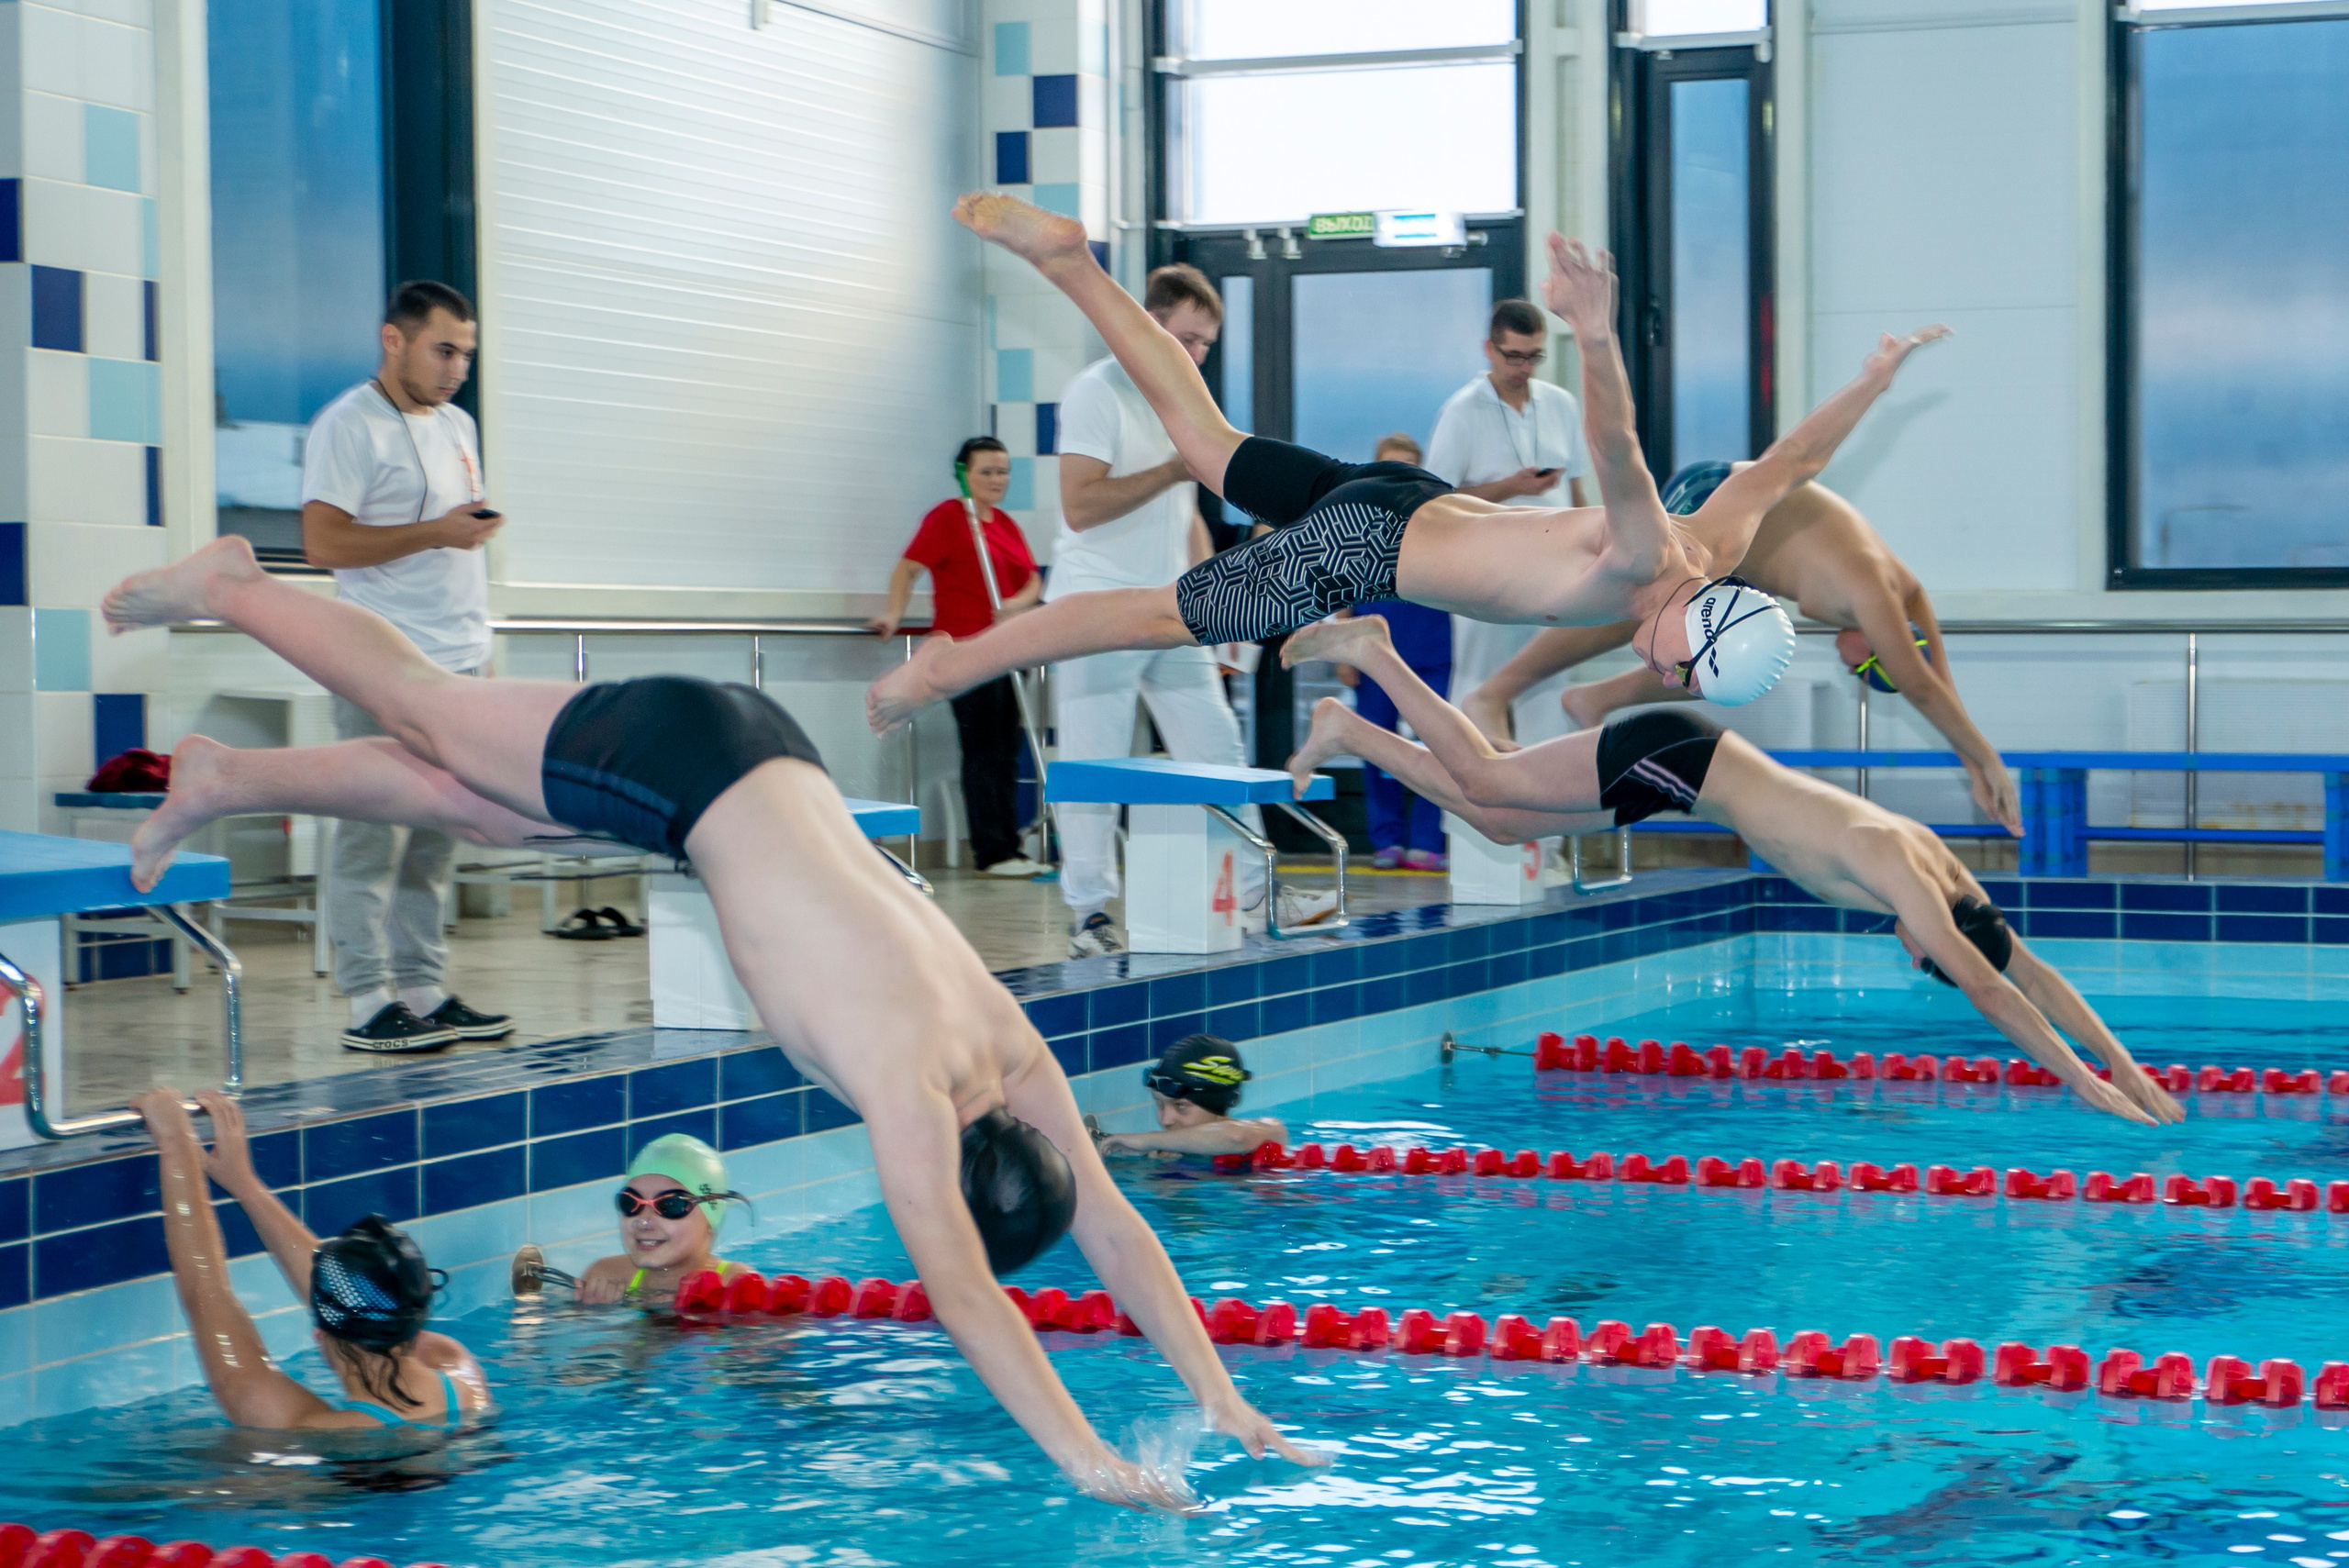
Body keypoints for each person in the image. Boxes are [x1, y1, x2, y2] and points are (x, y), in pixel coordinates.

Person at [103, 536, 1322, 1510]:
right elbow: (962, 1293)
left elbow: (1109, 1226)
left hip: (753, 758)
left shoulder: (1003, 1048)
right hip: (684, 764)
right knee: (426, 711)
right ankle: (235, 585)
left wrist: (1223, 1398)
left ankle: (225, 780)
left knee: (480, 810)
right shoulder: (907, 1091)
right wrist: (1088, 1459)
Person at [865, 193, 1948, 736]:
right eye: (1683, 666)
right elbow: (1613, 447)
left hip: (1404, 500)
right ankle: (944, 669)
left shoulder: (1720, 539)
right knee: (1150, 614)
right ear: (1696, 629)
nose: (1663, 673)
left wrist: (1877, 374)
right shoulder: (1642, 559)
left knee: (1201, 438)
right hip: (1368, 541)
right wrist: (1597, 335)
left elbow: (1794, 455)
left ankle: (1073, 266)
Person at [1278, 614, 2186, 1130]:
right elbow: (1992, 988)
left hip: (1690, 777)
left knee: (1489, 810)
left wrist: (2127, 1062)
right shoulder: (1907, 879)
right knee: (1485, 780)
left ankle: (1349, 729)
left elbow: (2028, 968)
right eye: (1924, 953)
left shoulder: (1946, 874)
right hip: (1679, 752)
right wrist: (2083, 1082)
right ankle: (1374, 652)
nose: (1910, 949)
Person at [1457, 468, 2022, 834]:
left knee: (1727, 659)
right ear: (1888, 643)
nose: (1853, 666)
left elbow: (1929, 671)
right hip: (1719, 499)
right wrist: (1986, 758)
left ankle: (1595, 698)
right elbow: (1920, 684)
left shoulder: (1906, 597)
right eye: (1869, 665)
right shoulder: (1873, 592)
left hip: (1748, 543)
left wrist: (1965, 740)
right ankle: (1494, 692)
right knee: (1633, 599)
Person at [1047, 264, 1335, 956]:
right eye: (1188, 338)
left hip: (1171, 605)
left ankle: (1259, 891)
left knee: (1216, 751)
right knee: (1093, 763)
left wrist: (1221, 603)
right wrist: (1172, 470)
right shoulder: (1097, 390)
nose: (1197, 354)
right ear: (1149, 325)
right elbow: (1081, 505)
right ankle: (1090, 913)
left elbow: (1189, 517)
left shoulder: (1181, 394)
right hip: (1095, 606)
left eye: (1207, 344)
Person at [301, 279, 511, 1054]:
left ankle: (422, 986)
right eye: (443, 349)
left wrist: (478, 654)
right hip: (380, 660)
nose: (457, 367)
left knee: (436, 829)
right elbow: (324, 545)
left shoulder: (459, 423)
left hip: (458, 661)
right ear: (394, 340)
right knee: (372, 828)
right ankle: (365, 996)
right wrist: (436, 533)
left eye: (466, 352)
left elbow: (452, 542)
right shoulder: (348, 426)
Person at [135, 1087, 491, 1429]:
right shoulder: (458, 1371)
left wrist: (176, 1141)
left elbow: (205, 1292)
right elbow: (366, 1306)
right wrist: (243, 1183)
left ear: (319, 1335)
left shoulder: (311, 1431)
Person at [871, 437, 1047, 877]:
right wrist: (893, 613)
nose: (996, 479)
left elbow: (1032, 581)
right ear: (964, 474)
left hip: (1007, 650)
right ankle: (992, 853)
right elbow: (908, 567)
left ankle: (1009, 847)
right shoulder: (950, 517)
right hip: (964, 652)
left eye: (1003, 471)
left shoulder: (1005, 523)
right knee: (984, 748)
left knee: (1006, 749)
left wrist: (1015, 605)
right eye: (986, 471)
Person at [1424, 298, 1594, 748]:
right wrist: (1510, 487)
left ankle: (1549, 805)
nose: (1524, 367)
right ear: (1489, 349)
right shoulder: (1462, 411)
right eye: (1513, 356)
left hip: (1556, 575)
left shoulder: (1561, 405)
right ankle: (1468, 813)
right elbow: (1433, 501)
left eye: (1534, 356)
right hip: (1486, 576)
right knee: (1479, 686)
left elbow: (1578, 497)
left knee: (1547, 685)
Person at [1331, 433, 1455, 872]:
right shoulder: (1356, 525)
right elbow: (1340, 590)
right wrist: (1345, 651)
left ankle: (1427, 840)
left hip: (1433, 649)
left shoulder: (1442, 525)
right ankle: (1386, 839)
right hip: (1374, 652)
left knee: (1440, 746)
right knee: (1376, 746)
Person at [572, 1133, 756, 1305]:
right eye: (630, 1202)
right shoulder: (606, 1275)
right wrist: (593, 1313)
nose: (644, 1222)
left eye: (671, 1205)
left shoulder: (737, 1284)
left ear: (711, 1219)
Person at [1098, 1035, 1286, 1160]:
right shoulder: (1163, 1156)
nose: (1165, 1120)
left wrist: (1148, 1139)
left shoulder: (1267, 1132)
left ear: (1216, 1103)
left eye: (1181, 1106)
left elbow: (1236, 1137)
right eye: (1159, 1104)